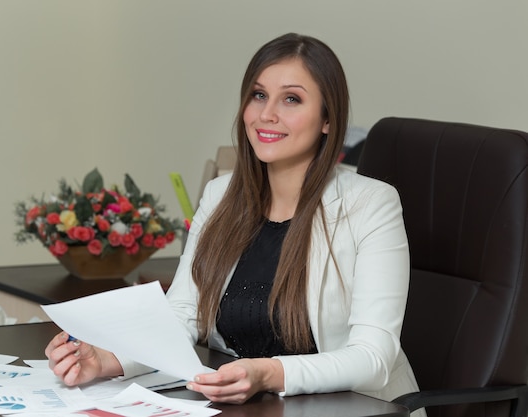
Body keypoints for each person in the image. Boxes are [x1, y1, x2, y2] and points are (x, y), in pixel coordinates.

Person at [45, 32, 424, 414]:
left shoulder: (372, 204)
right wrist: (110, 359)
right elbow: (183, 314)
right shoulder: (220, 195)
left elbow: (373, 358)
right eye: (258, 95)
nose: (267, 114)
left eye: (291, 99)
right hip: (246, 407)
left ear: (328, 118)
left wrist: (268, 373)